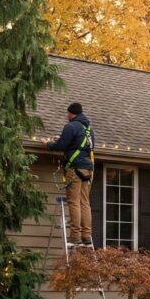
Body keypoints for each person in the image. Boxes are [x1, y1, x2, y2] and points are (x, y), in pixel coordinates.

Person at [47, 103, 95, 247]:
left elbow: (61, 145)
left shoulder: (71, 126)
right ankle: (86, 235)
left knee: (73, 201)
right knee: (84, 202)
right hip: (87, 169)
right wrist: (61, 138)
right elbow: (85, 146)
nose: (66, 116)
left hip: (74, 169)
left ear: (71, 113)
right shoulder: (88, 129)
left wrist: (48, 144)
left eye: (67, 114)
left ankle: (75, 236)